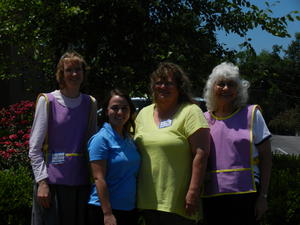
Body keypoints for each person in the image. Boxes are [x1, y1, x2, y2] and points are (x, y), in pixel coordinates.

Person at [134, 62, 210, 225]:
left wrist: (193, 191)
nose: (163, 87)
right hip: (145, 202)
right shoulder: (143, 114)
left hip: (178, 204)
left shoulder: (190, 111)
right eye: (159, 82)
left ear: (179, 87)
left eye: (169, 83)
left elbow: (201, 154)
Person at [29, 51, 98, 225]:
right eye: (69, 70)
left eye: (78, 69)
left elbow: (92, 144)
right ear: (61, 73)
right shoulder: (48, 101)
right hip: (52, 184)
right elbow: (35, 148)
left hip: (80, 183)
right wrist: (42, 182)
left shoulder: (90, 103)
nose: (74, 74)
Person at [201, 62, 272, 225]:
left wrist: (263, 197)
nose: (226, 88)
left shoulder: (252, 114)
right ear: (212, 88)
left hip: (246, 196)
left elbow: (266, 158)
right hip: (211, 196)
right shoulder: (204, 119)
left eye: (231, 84)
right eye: (221, 84)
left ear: (238, 90)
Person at [87, 89, 140, 225]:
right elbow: (99, 178)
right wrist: (108, 214)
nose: (120, 112)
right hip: (106, 211)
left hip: (129, 209)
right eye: (115, 108)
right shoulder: (101, 139)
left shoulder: (128, 139)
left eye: (124, 108)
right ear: (106, 111)